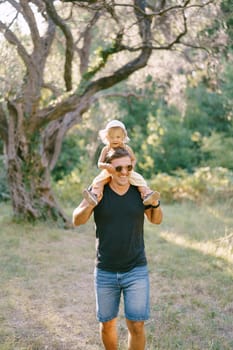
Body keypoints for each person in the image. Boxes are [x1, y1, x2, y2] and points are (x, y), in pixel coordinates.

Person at [73, 147, 163, 350]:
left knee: (137, 325)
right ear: (108, 169)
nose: (124, 173)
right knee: (107, 324)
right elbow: (76, 220)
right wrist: (91, 204)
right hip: (105, 270)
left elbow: (156, 220)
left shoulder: (139, 190)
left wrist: (156, 205)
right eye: (119, 168)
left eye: (128, 168)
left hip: (136, 270)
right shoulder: (98, 190)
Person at [83, 119, 160, 206]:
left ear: (123, 137)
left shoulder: (126, 148)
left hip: (125, 170)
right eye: (111, 137)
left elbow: (133, 159)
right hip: (110, 171)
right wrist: (106, 166)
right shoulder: (106, 149)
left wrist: (130, 168)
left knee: (138, 179)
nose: (115, 139)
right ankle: (95, 195)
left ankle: (147, 194)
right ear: (107, 137)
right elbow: (99, 163)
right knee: (98, 181)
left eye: (118, 137)